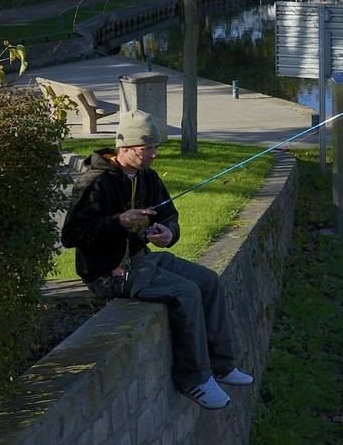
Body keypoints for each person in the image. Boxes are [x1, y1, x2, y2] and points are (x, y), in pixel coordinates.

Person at [60, 110, 253, 410]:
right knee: (185, 293)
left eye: (155, 148)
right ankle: (194, 380)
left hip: (141, 260)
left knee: (208, 281)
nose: (154, 155)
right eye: (146, 149)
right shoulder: (94, 182)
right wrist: (119, 221)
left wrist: (168, 233)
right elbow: (71, 235)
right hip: (107, 273)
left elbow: (169, 215)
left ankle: (222, 366)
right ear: (124, 148)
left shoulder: (147, 177)